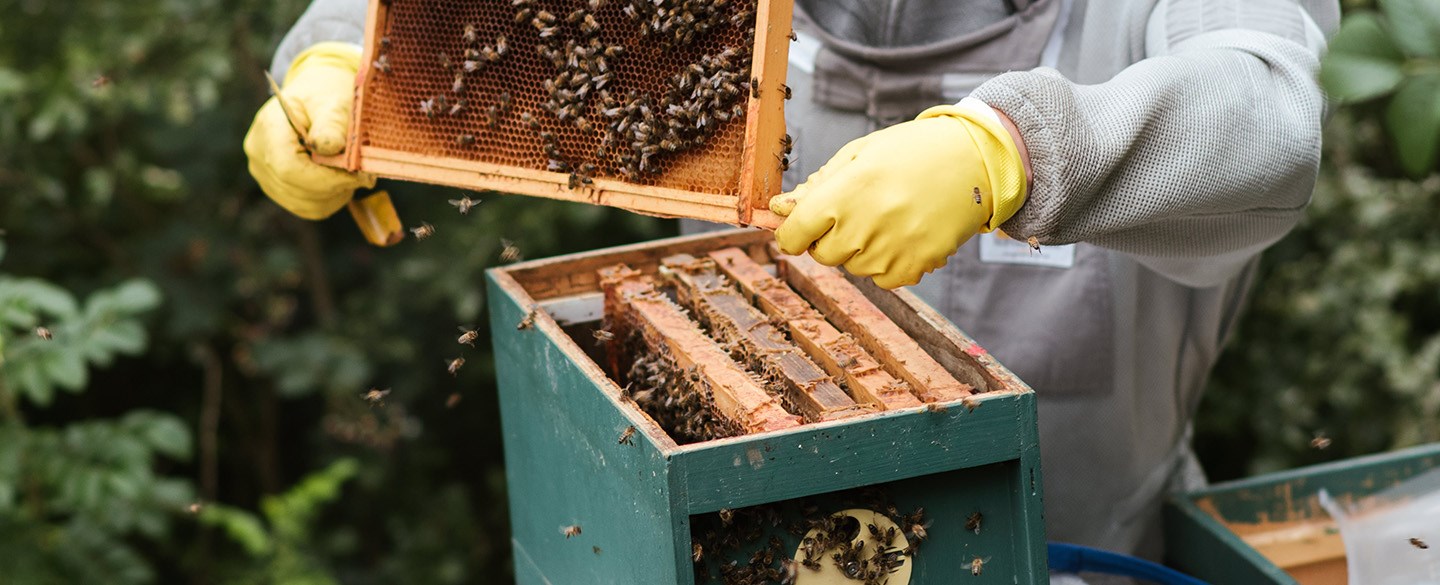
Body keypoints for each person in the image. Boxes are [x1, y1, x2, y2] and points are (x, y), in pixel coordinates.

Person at [244, 0, 1341, 576]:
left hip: (1090, 559)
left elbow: (1266, 115)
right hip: (724, 554)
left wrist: (1015, 150)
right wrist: (342, 56)